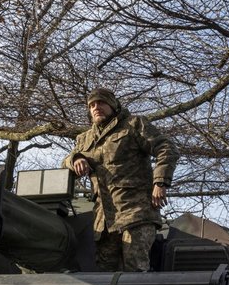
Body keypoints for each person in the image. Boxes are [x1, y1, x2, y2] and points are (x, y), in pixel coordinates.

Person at [63, 87, 178, 271]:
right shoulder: (84, 139)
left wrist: (160, 182)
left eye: (101, 102)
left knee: (135, 269)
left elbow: (166, 147)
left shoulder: (133, 125)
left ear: (113, 105)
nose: (96, 107)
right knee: (105, 274)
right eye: (91, 105)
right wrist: (75, 159)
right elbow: (65, 163)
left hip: (136, 211)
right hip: (105, 220)